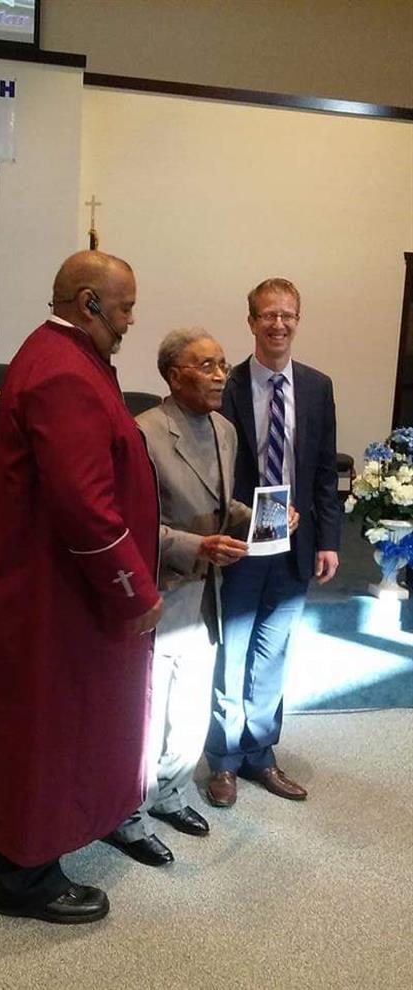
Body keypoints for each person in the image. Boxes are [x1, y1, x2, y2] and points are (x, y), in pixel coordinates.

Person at [0, 250, 162, 924]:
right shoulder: (64, 374)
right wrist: (133, 590)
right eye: (125, 305)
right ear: (88, 301)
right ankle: (24, 879)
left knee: (25, 718)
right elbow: (84, 504)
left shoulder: (58, 356)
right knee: (47, 725)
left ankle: (6, 845)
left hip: (48, 584)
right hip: (59, 595)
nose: (132, 319)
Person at [104, 329, 251, 867]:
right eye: (206, 366)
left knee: (189, 709)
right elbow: (128, 524)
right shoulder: (142, 433)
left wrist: (257, 520)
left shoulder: (225, 430)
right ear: (173, 374)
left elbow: (221, 500)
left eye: (223, 364)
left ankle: (169, 794)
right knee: (149, 711)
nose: (220, 376)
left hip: (208, 593)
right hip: (162, 591)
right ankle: (128, 815)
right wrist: (197, 545)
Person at [205, 277, 341, 807]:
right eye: (268, 315)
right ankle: (224, 761)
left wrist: (328, 538)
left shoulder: (318, 386)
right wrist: (243, 518)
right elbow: (214, 470)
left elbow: (324, 471)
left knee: (273, 650)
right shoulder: (228, 387)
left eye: (288, 315)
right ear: (251, 321)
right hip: (243, 540)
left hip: (295, 543)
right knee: (233, 649)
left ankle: (261, 753)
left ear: (298, 320)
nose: (278, 324)